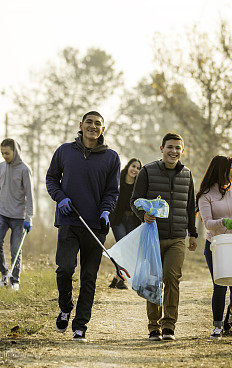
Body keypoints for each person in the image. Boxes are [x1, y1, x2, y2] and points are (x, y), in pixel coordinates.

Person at [46, 111, 121, 341]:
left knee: (89, 277)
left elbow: (112, 190)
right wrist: (60, 197)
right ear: (80, 125)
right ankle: (65, 307)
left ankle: (80, 325)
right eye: (89, 122)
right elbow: (51, 179)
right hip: (69, 220)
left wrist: (107, 210)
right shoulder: (64, 151)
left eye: (98, 123)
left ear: (103, 129)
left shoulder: (111, 157)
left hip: (96, 226)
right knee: (65, 269)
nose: (93, 126)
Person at [131, 132, 198, 341]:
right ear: (162, 149)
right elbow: (134, 200)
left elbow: (190, 207)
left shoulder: (187, 174)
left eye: (178, 148)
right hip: (153, 236)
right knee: (153, 281)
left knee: (172, 278)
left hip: (177, 237)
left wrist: (193, 234)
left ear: (182, 151)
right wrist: (143, 215)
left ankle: (169, 325)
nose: (174, 151)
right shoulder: (147, 172)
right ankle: (153, 326)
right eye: (170, 147)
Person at [196, 155, 232, 339]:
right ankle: (217, 327)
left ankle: (231, 316)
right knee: (219, 284)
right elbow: (208, 223)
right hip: (216, 245)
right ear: (222, 170)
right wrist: (221, 222)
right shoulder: (205, 195)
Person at [0, 138, 33, 291]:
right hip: (1, 213)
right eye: (2, 153)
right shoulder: (0, 167)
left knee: (15, 249)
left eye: (7, 153)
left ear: (15, 152)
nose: (4, 156)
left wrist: (29, 217)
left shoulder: (24, 169)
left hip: (19, 217)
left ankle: (15, 280)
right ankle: (4, 273)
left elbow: (30, 194)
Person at [108, 157, 143, 289]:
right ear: (128, 167)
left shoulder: (139, 185)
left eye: (138, 168)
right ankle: (121, 279)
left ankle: (118, 278)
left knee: (128, 250)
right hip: (118, 220)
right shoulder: (118, 181)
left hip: (133, 221)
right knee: (123, 247)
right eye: (133, 166)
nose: (135, 170)